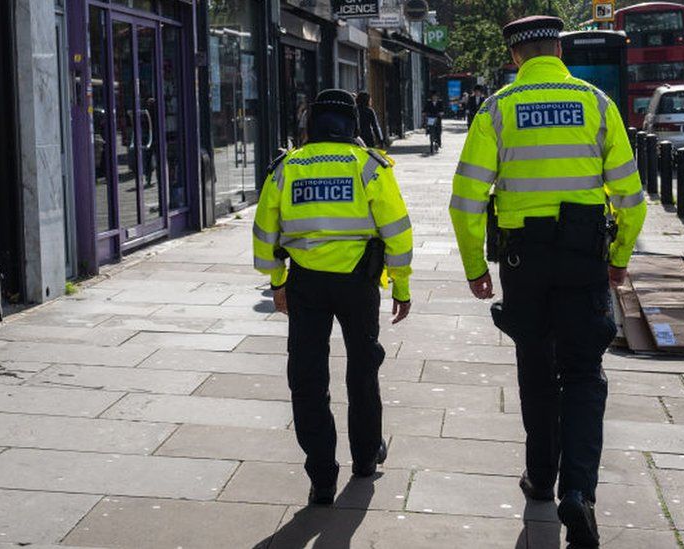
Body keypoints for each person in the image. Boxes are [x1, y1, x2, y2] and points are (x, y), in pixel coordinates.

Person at [448, 16, 646, 548]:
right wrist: (620, 257)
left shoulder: (497, 110)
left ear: (515, 57)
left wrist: (474, 268)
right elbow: (631, 196)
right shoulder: (597, 104)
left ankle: (541, 478)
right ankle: (579, 493)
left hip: (523, 262)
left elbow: (465, 202)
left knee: (535, 368)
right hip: (584, 257)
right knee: (583, 374)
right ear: (558, 48)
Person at [252, 89, 414, 505]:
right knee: (363, 370)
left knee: (307, 378)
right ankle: (364, 458)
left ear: (310, 125)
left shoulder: (286, 168)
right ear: (353, 126)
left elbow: (264, 234)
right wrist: (401, 284)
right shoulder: (369, 166)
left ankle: (322, 475)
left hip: (305, 284)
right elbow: (396, 230)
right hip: (359, 284)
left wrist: (277, 282)